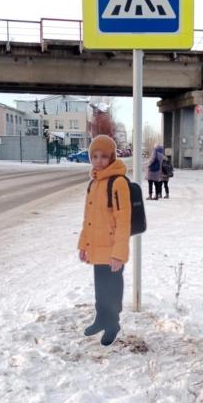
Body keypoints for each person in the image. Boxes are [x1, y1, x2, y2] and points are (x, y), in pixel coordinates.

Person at [78, 135, 131, 347]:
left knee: (112, 290)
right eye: (94, 156)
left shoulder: (118, 183)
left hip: (112, 250)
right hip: (97, 248)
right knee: (101, 288)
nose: (98, 161)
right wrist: (83, 245)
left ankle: (112, 324)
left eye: (103, 156)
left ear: (112, 157)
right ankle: (101, 319)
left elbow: (123, 220)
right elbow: (88, 219)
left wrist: (119, 253)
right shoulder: (94, 183)